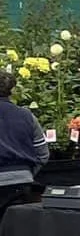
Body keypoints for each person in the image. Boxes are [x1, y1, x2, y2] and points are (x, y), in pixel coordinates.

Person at [0, 69, 47, 215]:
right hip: (22, 184)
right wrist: (26, 172)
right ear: (12, 90)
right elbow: (43, 154)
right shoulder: (27, 116)